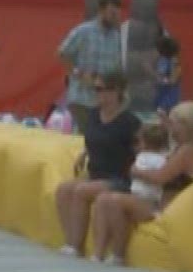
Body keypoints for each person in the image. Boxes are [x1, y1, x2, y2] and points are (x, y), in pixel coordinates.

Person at [88, 102, 193, 265]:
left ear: (184, 126)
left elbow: (160, 177)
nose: (170, 128)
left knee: (112, 200)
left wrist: (136, 171)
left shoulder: (188, 151)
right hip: (165, 206)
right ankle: (99, 253)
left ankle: (117, 254)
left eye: (174, 124)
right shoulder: (184, 147)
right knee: (103, 200)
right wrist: (166, 124)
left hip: (173, 211)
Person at [53, 72, 142, 259]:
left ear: (115, 92)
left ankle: (76, 245)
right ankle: (70, 241)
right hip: (97, 172)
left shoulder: (129, 122)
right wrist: (84, 153)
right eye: (95, 89)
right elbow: (94, 138)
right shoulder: (94, 115)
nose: (96, 94)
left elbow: (140, 148)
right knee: (63, 189)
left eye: (100, 89)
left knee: (81, 191)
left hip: (118, 177)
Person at [55, 0, 127, 134]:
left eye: (117, 14)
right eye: (111, 13)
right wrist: (77, 73)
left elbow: (116, 66)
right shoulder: (83, 31)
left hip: (106, 100)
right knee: (88, 136)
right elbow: (62, 53)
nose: (115, 17)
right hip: (83, 97)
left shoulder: (116, 36)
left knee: (101, 137)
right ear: (101, 11)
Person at [154, 35, 183, 114]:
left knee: (166, 112)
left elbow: (172, 80)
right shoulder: (162, 60)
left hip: (169, 94)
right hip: (162, 92)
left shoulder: (173, 62)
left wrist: (161, 80)